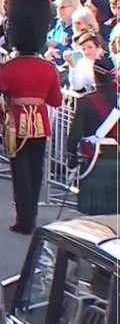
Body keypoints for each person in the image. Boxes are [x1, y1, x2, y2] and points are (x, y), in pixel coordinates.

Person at [0, 0, 63, 233]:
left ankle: (24, 220)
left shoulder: (8, 67)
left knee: (20, 175)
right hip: (40, 124)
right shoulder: (47, 68)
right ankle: (32, 217)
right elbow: (56, 101)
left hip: (15, 125)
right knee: (36, 172)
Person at [67, 58, 119, 216]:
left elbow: (74, 135)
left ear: (94, 75)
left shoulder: (86, 101)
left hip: (94, 163)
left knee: (92, 217)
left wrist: (72, 161)